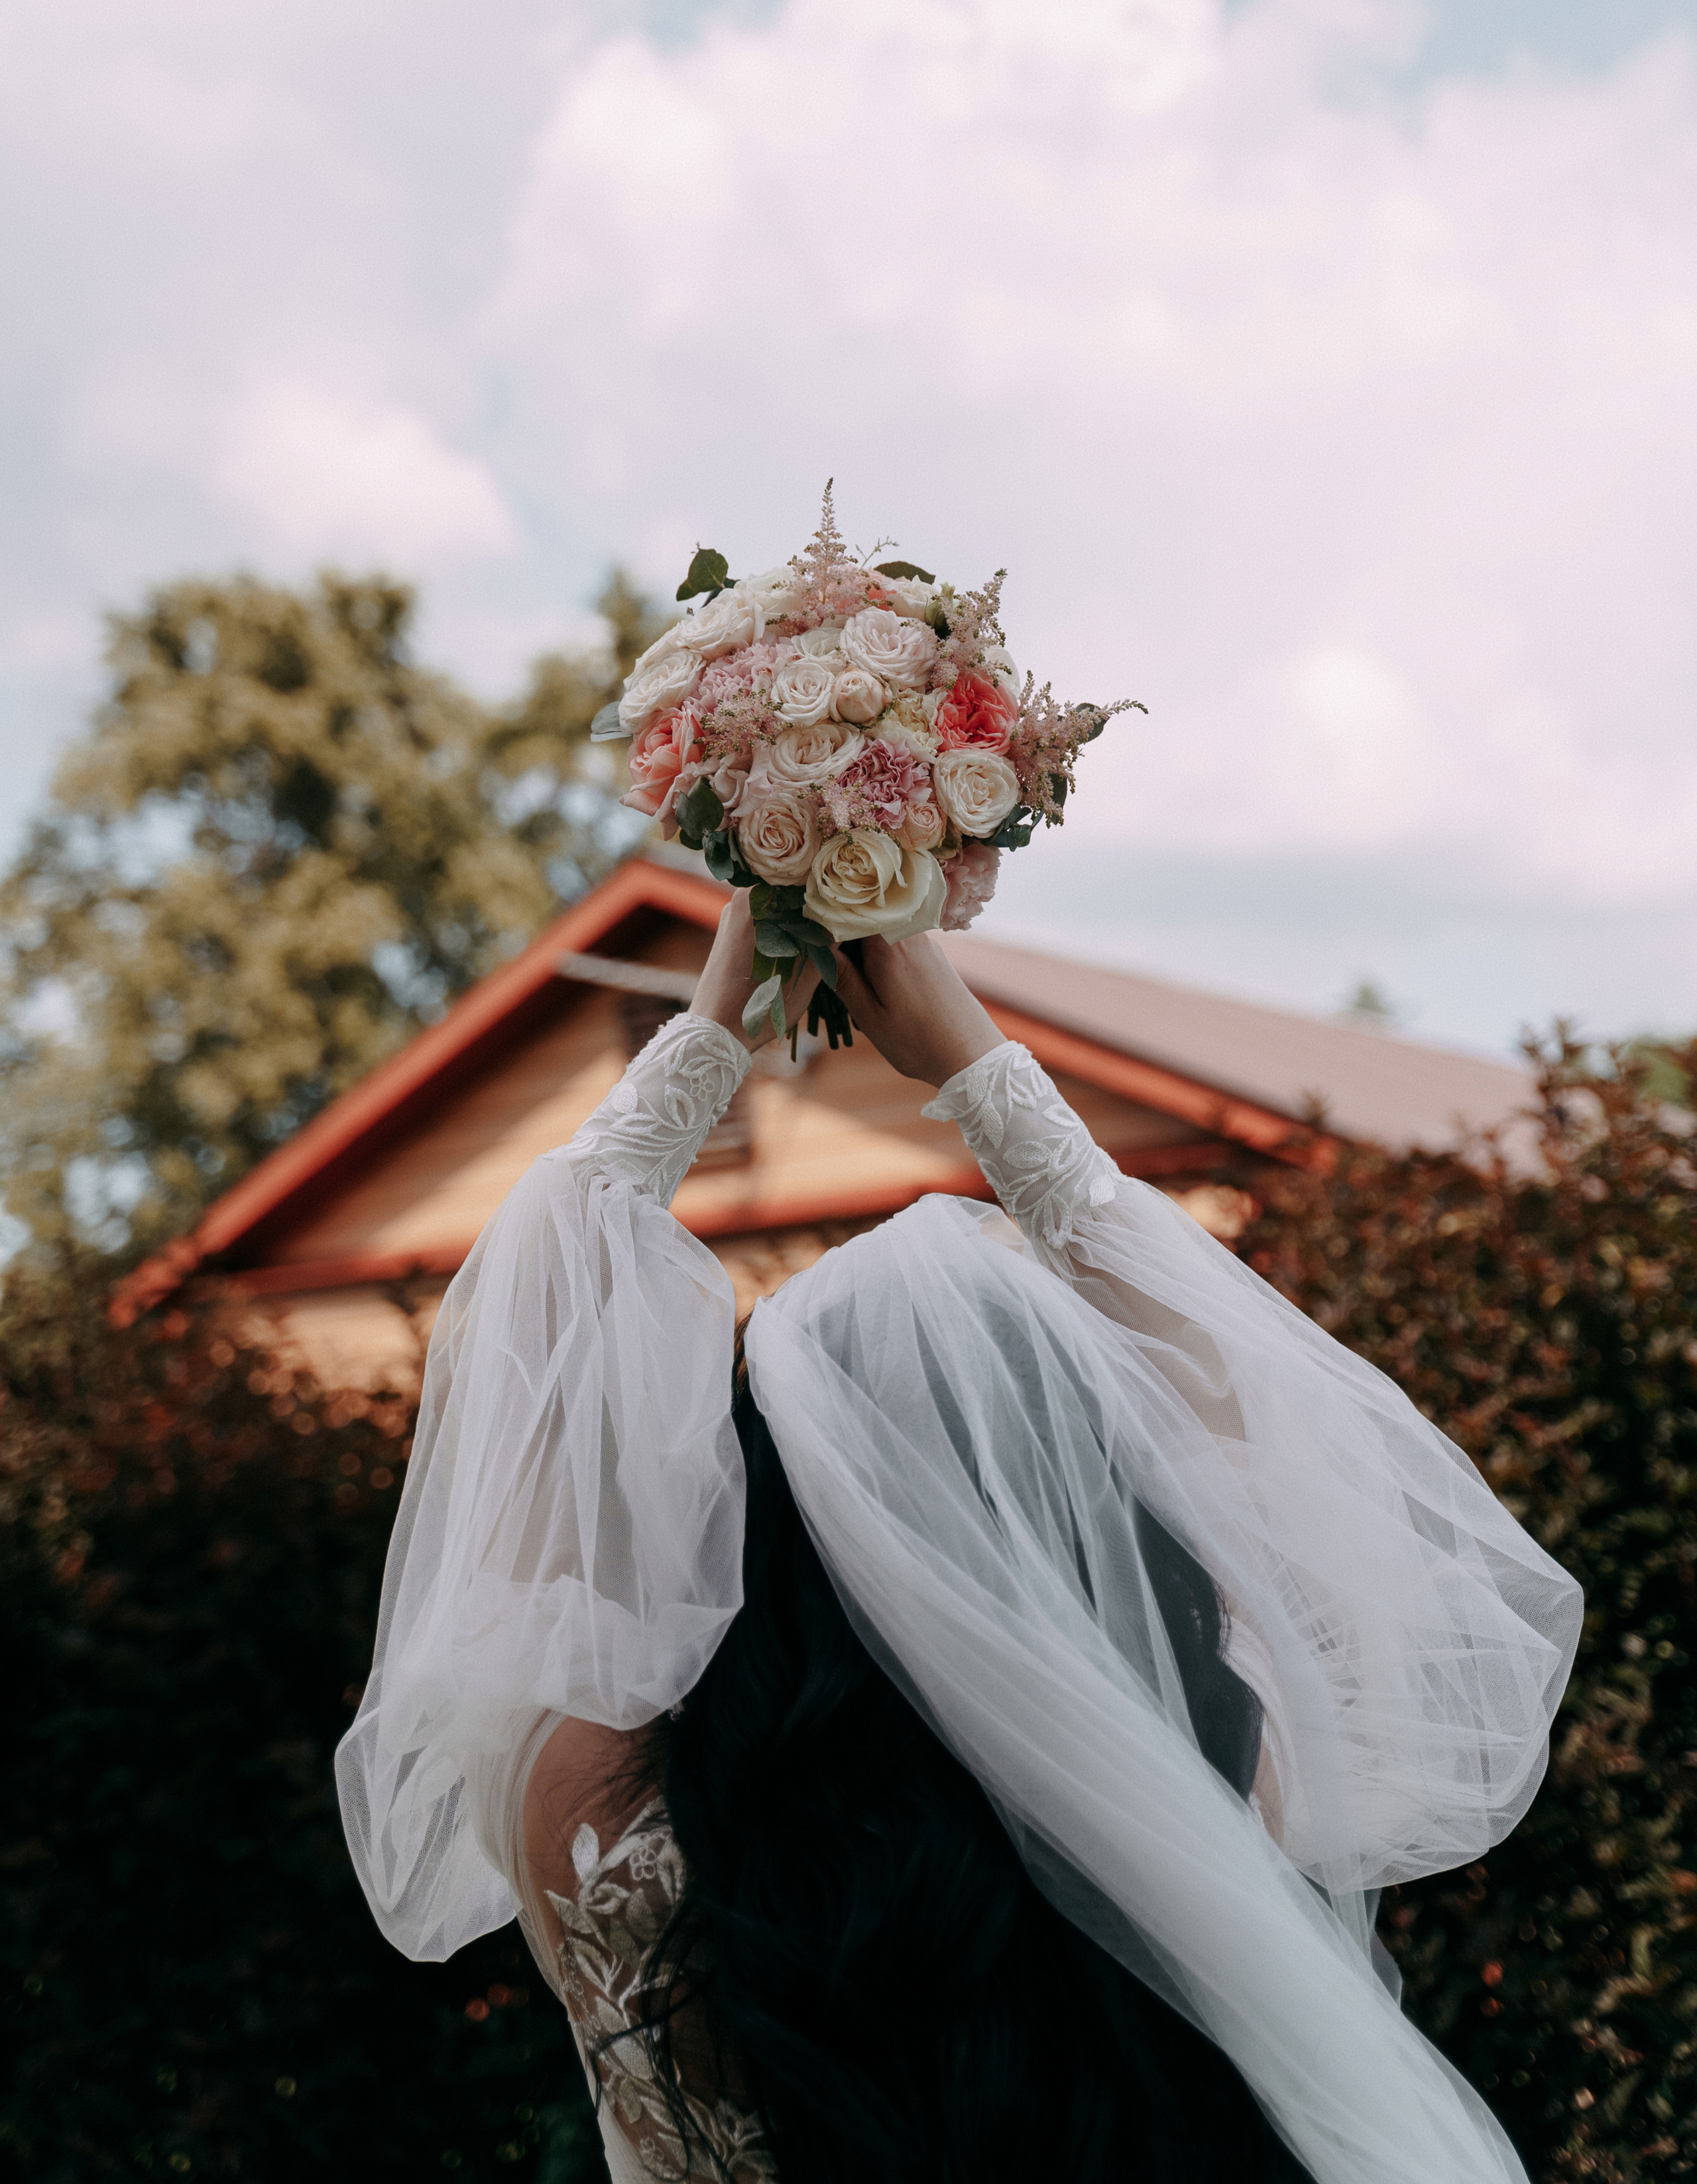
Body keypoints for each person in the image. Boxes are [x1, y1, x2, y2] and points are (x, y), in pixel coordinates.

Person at [337, 897, 1582, 2184]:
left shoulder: (612, 1838)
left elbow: (511, 1414)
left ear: (755, 1509)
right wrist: (984, 1075)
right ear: (1097, 1509)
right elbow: (1253, 1420)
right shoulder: (1202, 1769)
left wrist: (702, 1045)